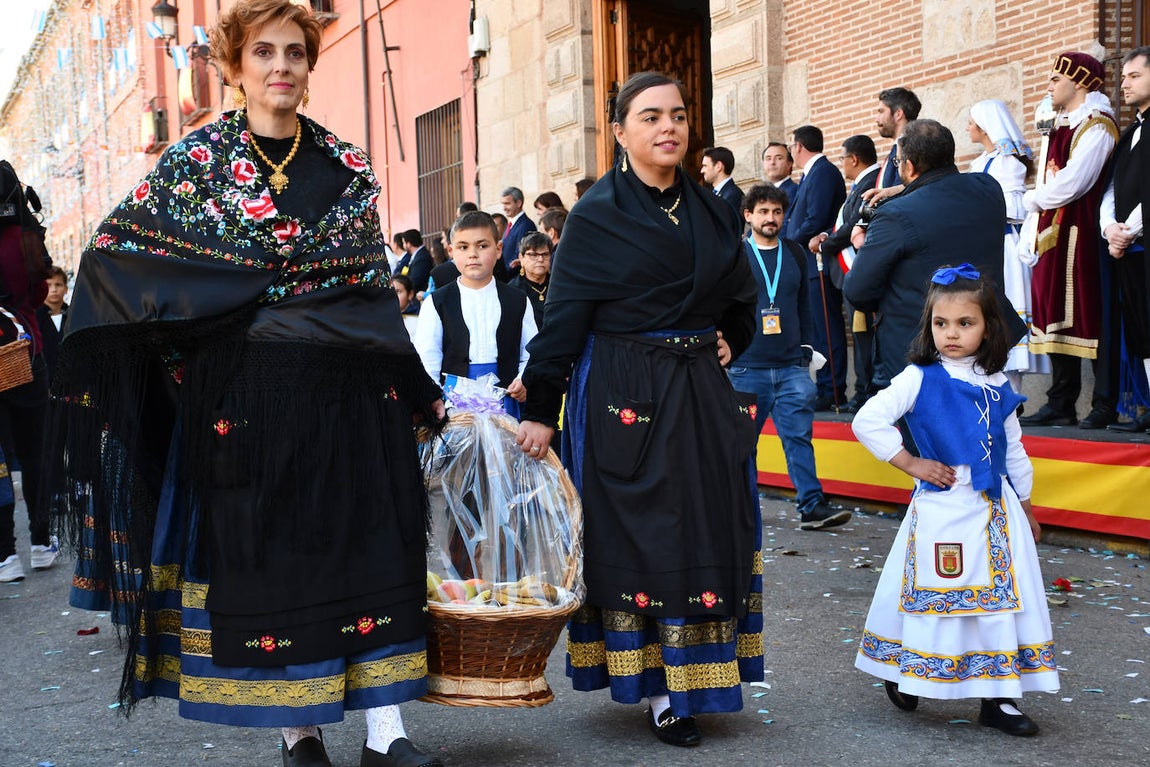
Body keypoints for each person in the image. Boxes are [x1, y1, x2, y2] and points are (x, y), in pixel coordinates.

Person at [43, 3, 445, 766]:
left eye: (295, 51)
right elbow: (114, 255)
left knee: (367, 551)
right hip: (248, 400)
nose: (281, 66)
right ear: (235, 67)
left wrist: (420, 388)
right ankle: (300, 734)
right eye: (263, 52)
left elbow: (370, 294)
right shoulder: (196, 166)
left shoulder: (347, 166)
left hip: (350, 398)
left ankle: (385, 732)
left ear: (310, 65)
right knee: (275, 566)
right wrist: (205, 329)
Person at [515, 72, 762, 748]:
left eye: (677, 114)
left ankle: (699, 679)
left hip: (700, 391)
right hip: (626, 392)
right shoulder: (597, 216)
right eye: (650, 116)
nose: (668, 127)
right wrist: (542, 408)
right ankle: (658, 691)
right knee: (645, 535)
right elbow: (564, 319)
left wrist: (732, 336)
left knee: (710, 526)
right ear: (620, 131)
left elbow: (742, 297)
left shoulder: (712, 209)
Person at [852, 264, 1058, 737]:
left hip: (996, 508)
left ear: (988, 328)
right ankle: (910, 670)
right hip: (943, 506)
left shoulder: (999, 382)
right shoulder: (919, 376)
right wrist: (910, 462)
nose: (951, 334)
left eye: (965, 323)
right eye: (940, 323)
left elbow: (1014, 448)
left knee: (1001, 602)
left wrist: (1026, 506)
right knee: (937, 593)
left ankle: (999, 696)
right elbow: (868, 420)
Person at [843, 119, 1017, 392]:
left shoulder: (894, 215)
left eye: (898, 162)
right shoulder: (988, 189)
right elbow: (944, 189)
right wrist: (904, 190)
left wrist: (864, 247)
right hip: (983, 342)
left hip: (922, 351)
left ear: (909, 166)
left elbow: (858, 290)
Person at [729, 183, 850, 530]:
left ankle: (812, 506)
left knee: (799, 438)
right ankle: (742, 511)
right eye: (763, 212)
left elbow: (804, 307)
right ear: (748, 215)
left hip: (791, 368)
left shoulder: (795, 253)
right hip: (746, 368)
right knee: (743, 446)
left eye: (777, 212)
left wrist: (806, 351)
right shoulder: (735, 255)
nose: (771, 218)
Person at [1019, 51, 1119, 429]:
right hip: (1054, 231)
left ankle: (1104, 404)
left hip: (1080, 232)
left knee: (1088, 314)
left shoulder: (1097, 126)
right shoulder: (1060, 125)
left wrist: (1032, 200)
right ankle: (1060, 402)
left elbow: (1075, 181)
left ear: (1078, 82)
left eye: (1055, 79)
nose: (1049, 86)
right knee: (1053, 316)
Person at [413, 210, 535, 417]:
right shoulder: (436, 302)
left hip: (507, 401)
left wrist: (523, 379)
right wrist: (433, 396)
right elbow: (427, 358)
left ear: (498, 249)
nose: (473, 254)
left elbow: (530, 351)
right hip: (454, 406)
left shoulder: (518, 300)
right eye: (463, 247)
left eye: (482, 246)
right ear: (451, 251)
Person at [0, 158, 58, 584]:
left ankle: (5, 554)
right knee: (35, 450)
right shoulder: (25, 236)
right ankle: (40, 541)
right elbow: (39, 293)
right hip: (24, 353)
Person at [966, 100, 1045, 396]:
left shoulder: (1008, 163)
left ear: (985, 127)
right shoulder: (978, 163)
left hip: (1006, 248)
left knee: (1007, 311)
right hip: (984, 247)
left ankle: (1012, 394)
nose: (968, 127)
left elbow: (1014, 209)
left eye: (972, 122)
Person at [812, 135, 881, 412]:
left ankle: (867, 392)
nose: (841, 163)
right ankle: (863, 389)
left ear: (853, 159)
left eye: (842, 158)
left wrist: (825, 244)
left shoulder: (872, 181)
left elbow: (855, 223)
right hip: (850, 273)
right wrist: (827, 235)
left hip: (861, 271)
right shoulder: (858, 184)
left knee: (865, 337)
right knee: (860, 335)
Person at [781, 125, 847, 410]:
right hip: (807, 264)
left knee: (826, 329)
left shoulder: (823, 172)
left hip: (818, 263)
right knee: (817, 330)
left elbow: (816, 219)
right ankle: (824, 385)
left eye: (791, 147)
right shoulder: (812, 174)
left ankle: (833, 390)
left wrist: (787, 243)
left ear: (798, 146)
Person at [1102, 46, 1150, 433]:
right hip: (1130, 247)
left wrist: (1127, 230)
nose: (1124, 84)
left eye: (1134, 76)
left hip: (1140, 240)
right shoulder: (1131, 132)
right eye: (1123, 78)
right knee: (1141, 328)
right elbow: (1111, 191)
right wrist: (1109, 229)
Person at [873, 87, 922, 191]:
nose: (876, 119)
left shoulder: (915, 150)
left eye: (881, 111)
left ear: (898, 114)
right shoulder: (895, 149)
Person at [508, 231, 552, 327]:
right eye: (534, 255)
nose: (540, 259)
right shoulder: (513, 290)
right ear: (521, 258)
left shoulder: (558, 286)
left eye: (545, 254)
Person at [35, 265, 69, 384]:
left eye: (58, 284)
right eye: (48, 285)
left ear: (66, 288)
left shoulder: (74, 316)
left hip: (71, 382)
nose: (54, 289)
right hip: (43, 381)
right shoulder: (35, 319)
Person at [499, 186, 536, 271]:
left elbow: (519, 255)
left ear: (519, 203)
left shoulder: (526, 225)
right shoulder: (511, 224)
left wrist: (503, 274)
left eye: (507, 204)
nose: (504, 208)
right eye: (503, 204)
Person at [700, 146, 744, 212]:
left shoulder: (732, 195)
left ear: (718, 166)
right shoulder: (719, 193)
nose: (702, 171)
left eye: (705, 166)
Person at [396, 228, 433, 296]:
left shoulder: (422, 258)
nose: (403, 245)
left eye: (403, 242)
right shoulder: (415, 255)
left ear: (409, 244)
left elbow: (416, 280)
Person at [391, 274, 419, 338]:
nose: (393, 296)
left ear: (410, 294)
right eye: (390, 292)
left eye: (398, 292)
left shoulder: (419, 318)